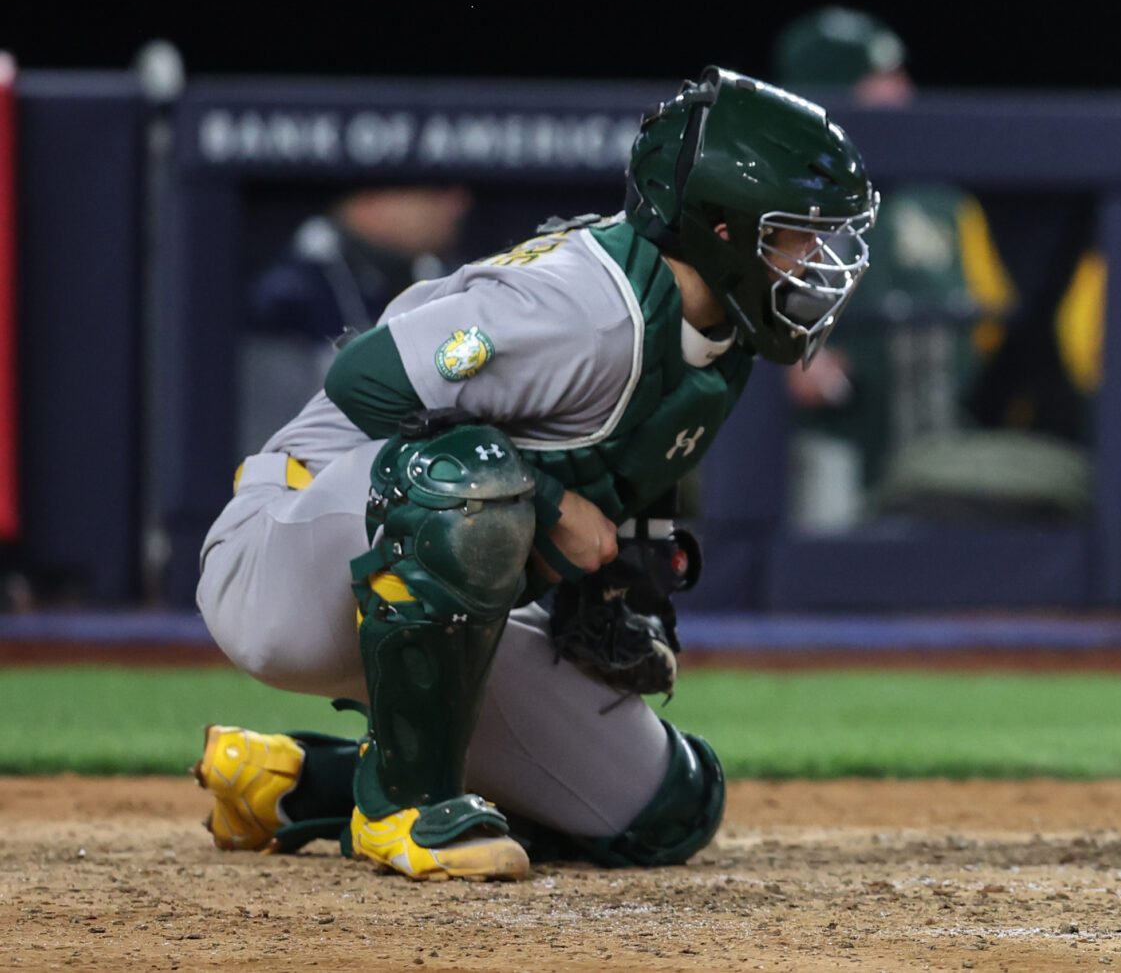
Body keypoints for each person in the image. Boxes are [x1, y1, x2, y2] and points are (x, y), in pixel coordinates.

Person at [191, 71, 877, 879]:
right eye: (794, 235)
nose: (815, 260)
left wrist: (621, 584)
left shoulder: (713, 337)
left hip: (424, 577)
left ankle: (291, 783)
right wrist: (549, 507)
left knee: (666, 807)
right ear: (720, 225)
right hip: (291, 544)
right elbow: (364, 377)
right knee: (466, 484)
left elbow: (627, 461)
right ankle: (402, 810)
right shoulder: (584, 310)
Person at [768, 8, 1014, 530]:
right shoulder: (772, 202)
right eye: (876, 83)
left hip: (929, 457)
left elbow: (995, 322)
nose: (900, 95)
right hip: (817, 454)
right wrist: (777, 365)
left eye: (897, 78)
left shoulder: (942, 203)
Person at [238, 185, 472, 448]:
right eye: (436, 190)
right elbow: (264, 451)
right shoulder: (284, 300)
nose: (458, 204)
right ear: (370, 197)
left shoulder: (454, 281)